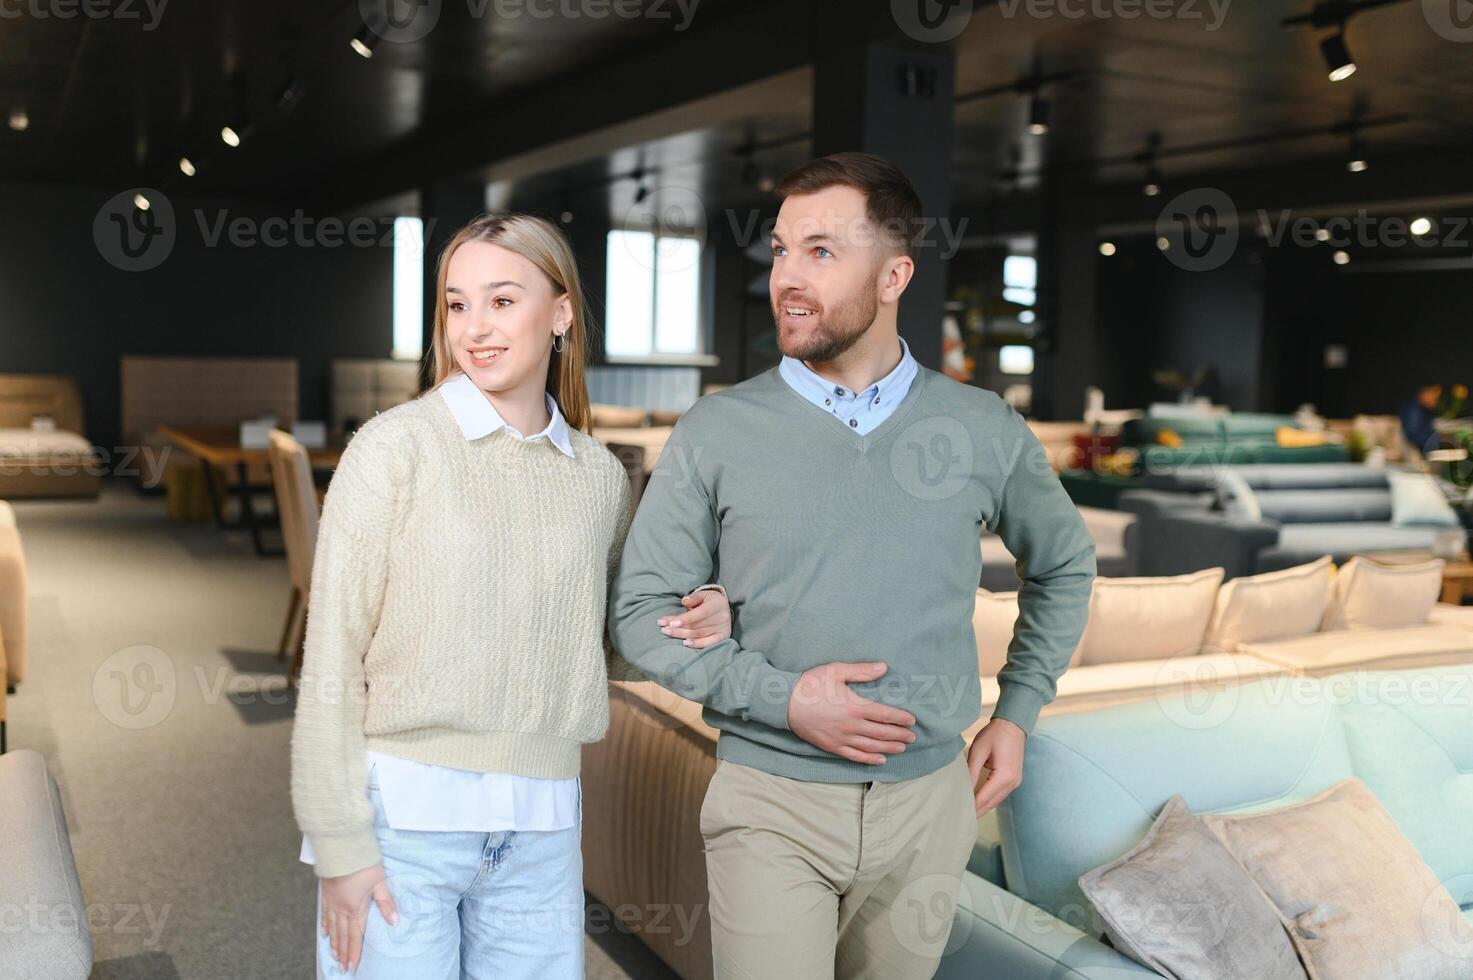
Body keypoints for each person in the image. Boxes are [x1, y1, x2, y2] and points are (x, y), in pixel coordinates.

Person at [610, 152, 1096, 979]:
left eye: (821, 252)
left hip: (929, 809)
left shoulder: (980, 426)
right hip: (769, 800)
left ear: (893, 274)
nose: (787, 279)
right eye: (781, 249)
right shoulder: (717, 430)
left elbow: (1065, 567)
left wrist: (1017, 712)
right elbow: (637, 613)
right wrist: (782, 698)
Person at [290, 212, 731, 979]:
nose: (474, 327)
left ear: (560, 313)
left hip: (542, 824)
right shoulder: (395, 449)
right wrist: (337, 843)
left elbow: (610, 643)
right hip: (403, 822)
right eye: (457, 304)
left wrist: (704, 612)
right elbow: (329, 654)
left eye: (501, 300)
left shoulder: (597, 476)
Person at [1399, 383, 1441, 458]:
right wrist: (1432, 444)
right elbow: (1413, 434)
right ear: (1423, 394)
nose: (1435, 400)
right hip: (1418, 455)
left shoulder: (1423, 411)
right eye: (1433, 396)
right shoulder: (1414, 412)